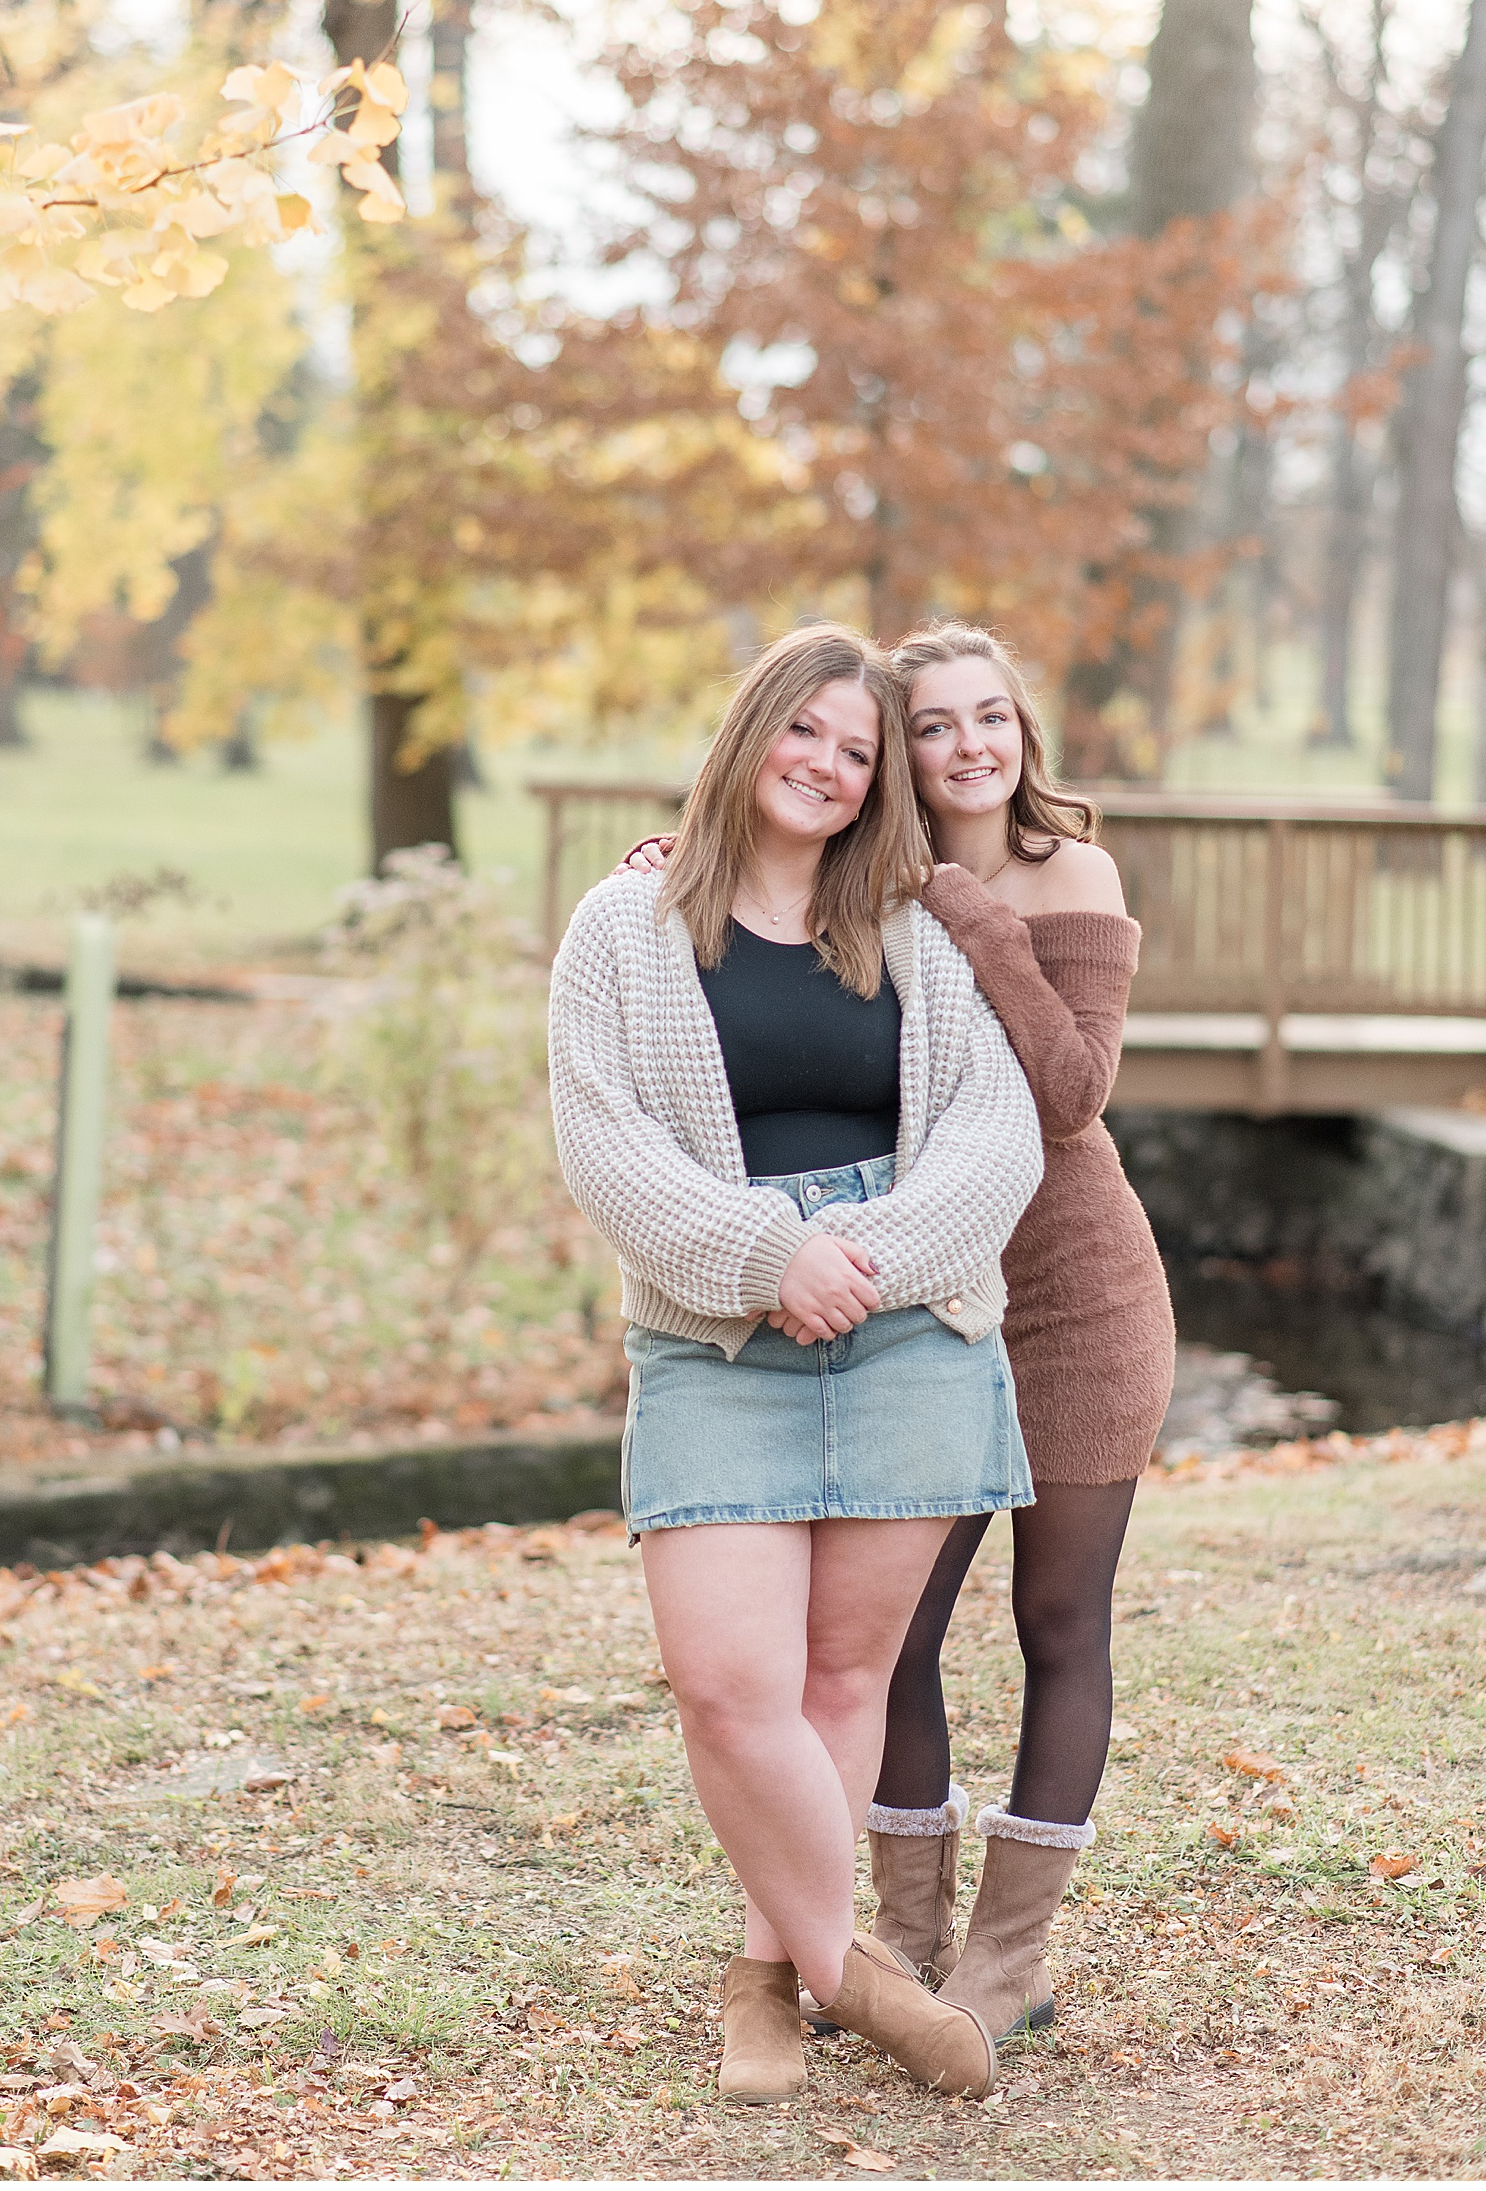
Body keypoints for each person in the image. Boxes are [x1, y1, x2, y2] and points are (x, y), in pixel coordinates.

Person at [618, 620, 1175, 2053]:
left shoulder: (1062, 877)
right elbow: (744, 928)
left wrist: (980, 921)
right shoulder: (872, 882)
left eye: (995, 716)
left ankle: (1007, 1955)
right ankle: (896, 1938)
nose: (971, 744)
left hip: (1072, 1287)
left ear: (1024, 733)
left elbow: (1069, 1093)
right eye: (933, 725)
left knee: (1059, 1619)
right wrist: (670, 856)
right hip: (920, 1290)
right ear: (899, 756)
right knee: (899, 1632)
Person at [549, 623, 1044, 2107]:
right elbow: (604, 1140)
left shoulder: (908, 922)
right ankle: (862, 1977)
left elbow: (993, 1127)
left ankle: (771, 1975)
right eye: (808, 731)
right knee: (724, 1684)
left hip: (906, 1316)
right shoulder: (622, 926)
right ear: (752, 728)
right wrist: (772, 1257)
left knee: (845, 1679)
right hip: (715, 1331)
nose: (827, 765)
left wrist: (864, 1258)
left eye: (858, 749)